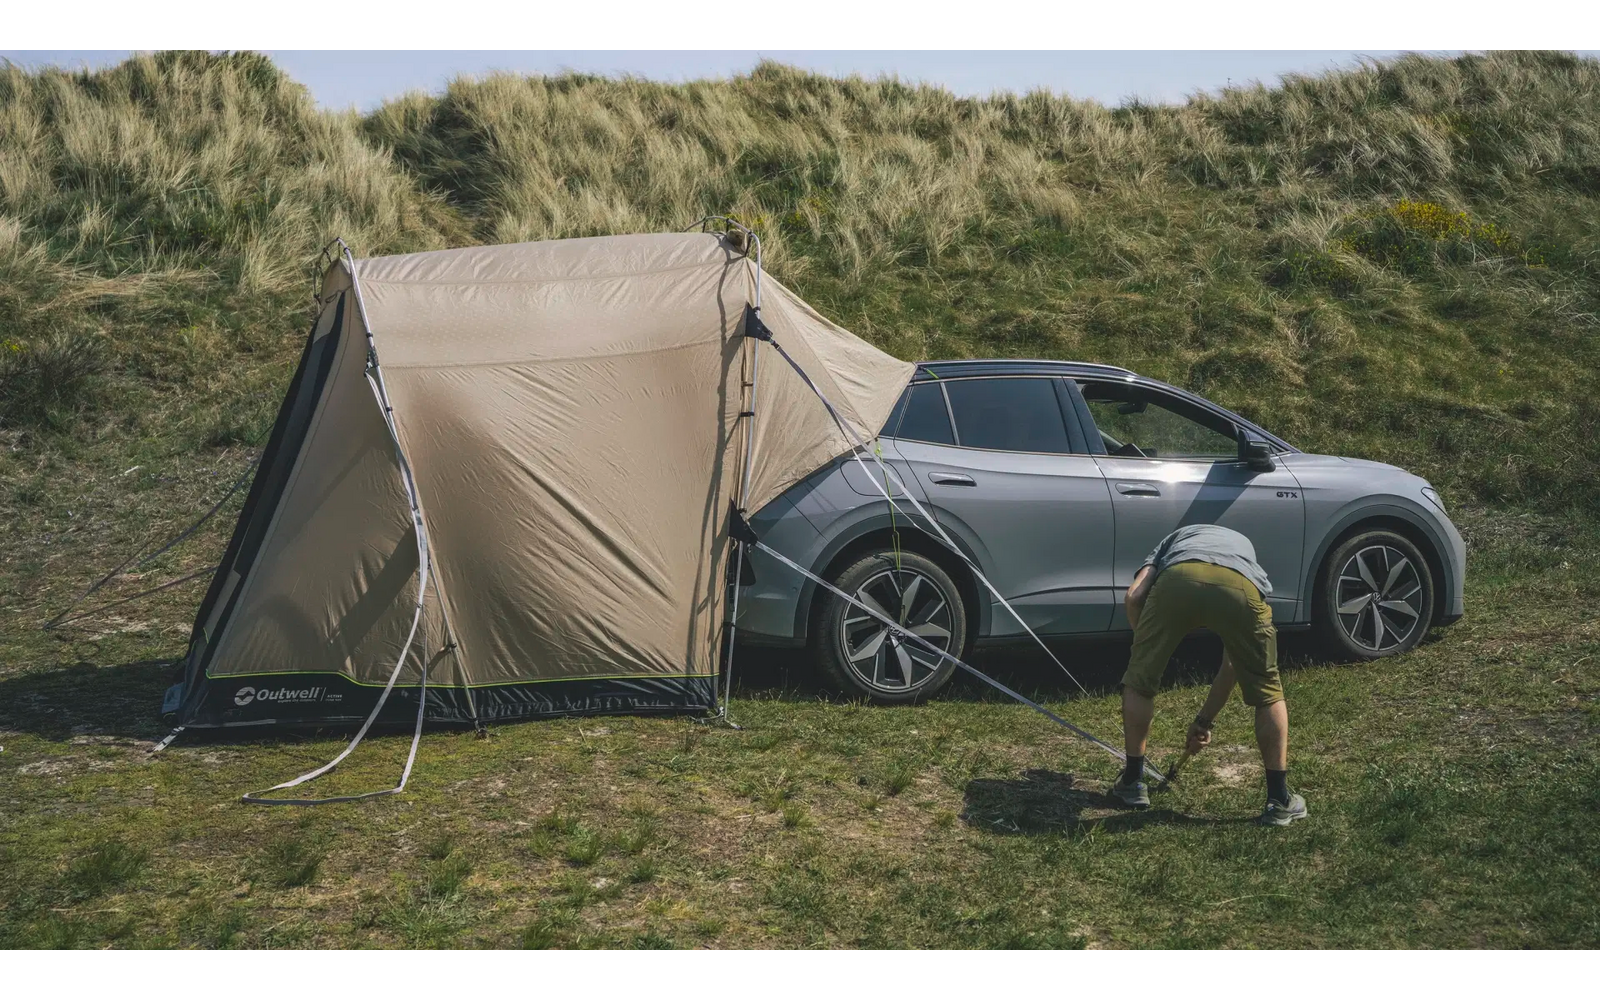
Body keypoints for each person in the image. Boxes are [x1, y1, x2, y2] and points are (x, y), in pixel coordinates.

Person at [1109, 523, 1308, 826]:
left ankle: (1133, 783)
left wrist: (1147, 652)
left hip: (1178, 578)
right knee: (1267, 690)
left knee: (1139, 682)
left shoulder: (1170, 541)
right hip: (1239, 585)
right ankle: (1279, 800)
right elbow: (1232, 664)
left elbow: (1134, 597)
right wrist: (1203, 721)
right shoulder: (1244, 547)